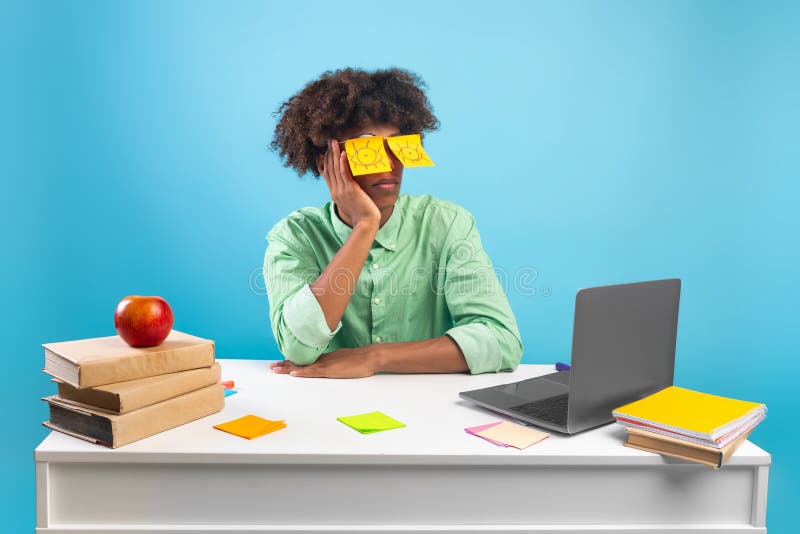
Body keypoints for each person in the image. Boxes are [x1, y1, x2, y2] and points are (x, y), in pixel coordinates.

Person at [264, 67, 522, 379]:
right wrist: (364, 227)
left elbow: (501, 341)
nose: (389, 164)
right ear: (325, 163)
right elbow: (298, 349)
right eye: (367, 149)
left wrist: (375, 357)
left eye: (399, 147)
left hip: (425, 408)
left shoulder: (447, 224)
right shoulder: (295, 237)